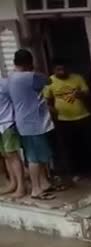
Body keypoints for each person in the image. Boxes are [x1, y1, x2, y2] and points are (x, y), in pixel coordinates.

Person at [8, 49, 56, 200]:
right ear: (30, 63)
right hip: (33, 123)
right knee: (35, 158)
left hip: (24, 122)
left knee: (36, 155)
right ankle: (36, 189)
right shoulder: (29, 77)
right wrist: (33, 70)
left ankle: (44, 183)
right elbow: (48, 80)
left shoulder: (11, 77)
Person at [44, 58, 91, 180]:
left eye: (64, 69)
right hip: (64, 120)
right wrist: (53, 111)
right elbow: (47, 101)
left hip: (83, 116)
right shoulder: (49, 82)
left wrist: (80, 94)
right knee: (70, 147)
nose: (62, 71)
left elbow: (88, 93)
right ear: (53, 70)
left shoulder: (77, 78)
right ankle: (75, 173)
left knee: (89, 145)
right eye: (59, 69)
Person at [0, 76, 26, 198]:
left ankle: (21, 186)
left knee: (12, 154)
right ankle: (13, 183)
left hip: (7, 123)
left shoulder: (4, 84)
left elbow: (16, 100)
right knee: (5, 155)